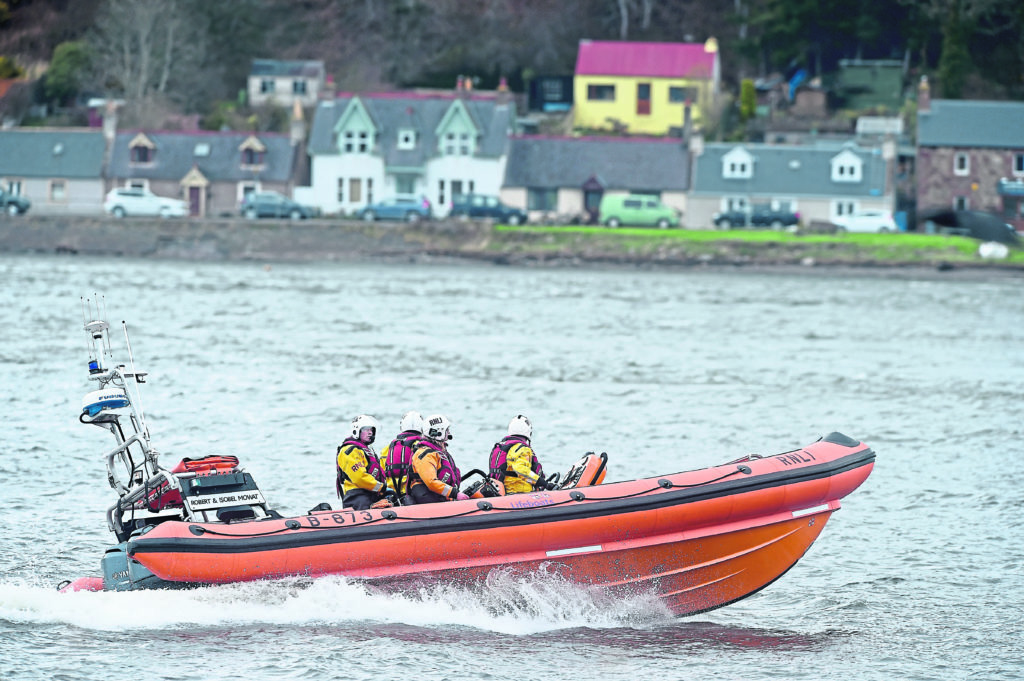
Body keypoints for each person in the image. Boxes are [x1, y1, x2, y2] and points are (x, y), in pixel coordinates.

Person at [404, 414, 467, 505]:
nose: (448, 433)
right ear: (439, 432)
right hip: (429, 501)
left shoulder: (439, 453)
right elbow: (431, 482)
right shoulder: (425, 455)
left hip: (441, 499)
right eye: (447, 430)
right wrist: (455, 493)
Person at [335, 414, 389, 510]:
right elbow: (359, 477)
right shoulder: (350, 451)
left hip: (371, 494)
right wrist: (381, 487)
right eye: (366, 429)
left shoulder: (366, 450)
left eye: (371, 430)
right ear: (356, 430)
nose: (370, 433)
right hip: (357, 496)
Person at [488, 414, 547, 494]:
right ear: (528, 432)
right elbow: (521, 470)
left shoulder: (502, 446)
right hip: (518, 493)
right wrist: (544, 483)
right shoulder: (522, 449)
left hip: (501, 492)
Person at [381, 410, 425, 499]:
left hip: (392, 495)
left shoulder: (388, 448)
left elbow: (381, 474)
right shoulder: (422, 447)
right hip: (414, 494)